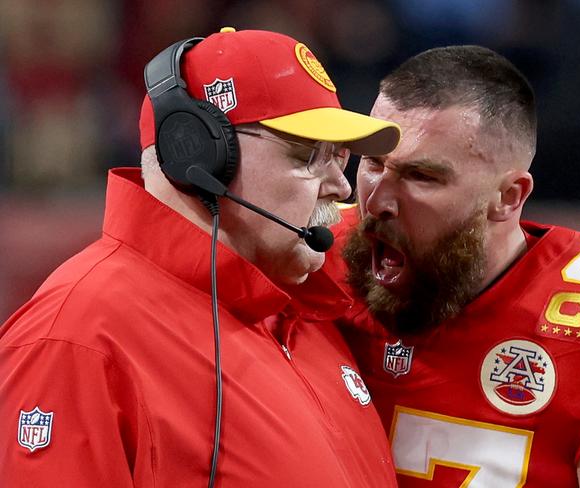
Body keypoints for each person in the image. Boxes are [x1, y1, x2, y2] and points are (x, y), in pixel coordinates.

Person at [0, 28, 401, 487]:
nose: (342, 186)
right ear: (199, 156)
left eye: (339, 156)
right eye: (309, 155)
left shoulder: (297, 309)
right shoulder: (78, 340)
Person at [325, 45, 580, 487]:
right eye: (374, 163)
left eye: (422, 177)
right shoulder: (305, 257)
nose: (376, 201)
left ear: (509, 196)